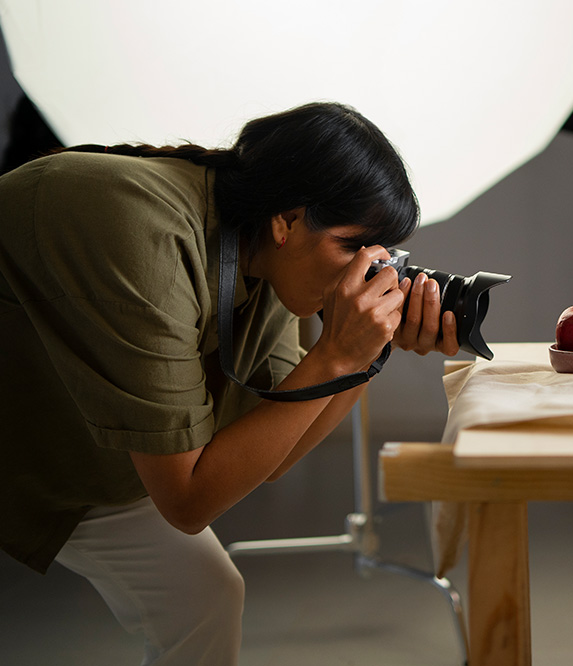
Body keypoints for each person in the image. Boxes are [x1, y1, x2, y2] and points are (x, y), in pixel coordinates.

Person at [0, 101, 459, 664]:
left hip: (68, 435)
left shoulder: (260, 257)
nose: (363, 274)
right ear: (287, 221)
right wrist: (336, 355)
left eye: (376, 256)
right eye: (351, 246)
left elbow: (273, 451)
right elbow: (190, 501)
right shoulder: (144, 235)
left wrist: (365, 355)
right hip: (31, 427)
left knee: (204, 597)